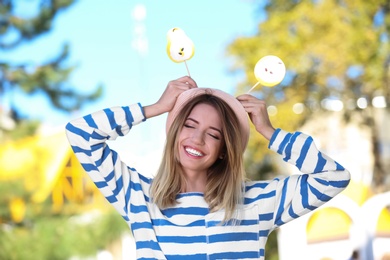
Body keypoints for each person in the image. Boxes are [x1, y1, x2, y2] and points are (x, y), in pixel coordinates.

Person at [65, 76, 351, 260]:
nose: (197, 139)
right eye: (189, 125)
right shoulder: (138, 197)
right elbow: (80, 134)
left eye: (214, 134)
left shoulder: (257, 202)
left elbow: (334, 177)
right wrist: (154, 108)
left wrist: (270, 132)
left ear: (225, 150)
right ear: (175, 132)